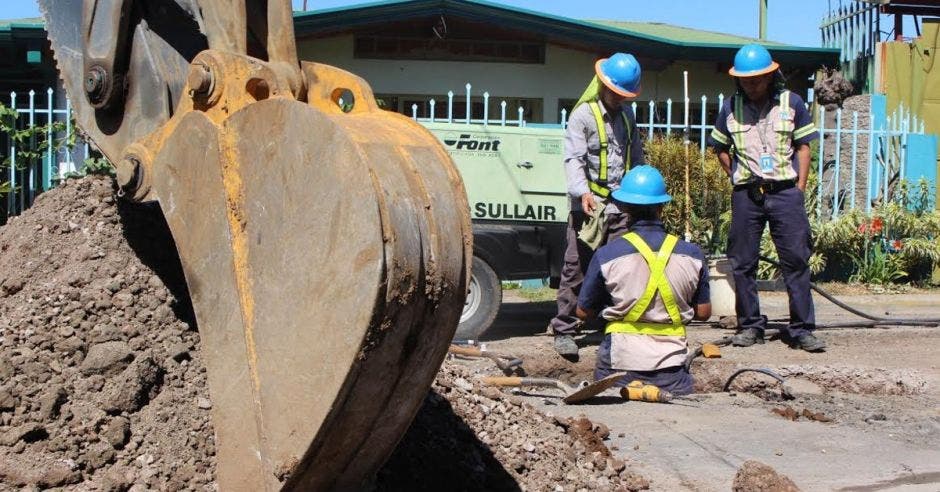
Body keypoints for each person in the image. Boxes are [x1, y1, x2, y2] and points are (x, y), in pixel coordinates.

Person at [708, 44, 826, 352]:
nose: (752, 84)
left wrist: (798, 188)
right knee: (742, 262)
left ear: (771, 76)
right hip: (747, 193)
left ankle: (801, 329)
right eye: (746, 80)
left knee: (796, 261)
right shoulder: (730, 107)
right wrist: (735, 173)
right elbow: (719, 147)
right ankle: (750, 326)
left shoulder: (793, 103)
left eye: (758, 79)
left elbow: (803, 147)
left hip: (785, 191)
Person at [576, 165, 711, 396]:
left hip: (619, 366)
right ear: (662, 207)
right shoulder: (692, 255)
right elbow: (703, 312)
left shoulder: (607, 255)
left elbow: (582, 312)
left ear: (624, 208)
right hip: (671, 368)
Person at [552, 52, 646, 360]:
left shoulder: (629, 116)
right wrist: (582, 193)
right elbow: (573, 160)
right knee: (575, 268)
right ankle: (564, 329)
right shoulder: (582, 115)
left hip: (620, 208)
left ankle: (612, 329)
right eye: (617, 93)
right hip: (588, 208)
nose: (620, 99)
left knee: (619, 270)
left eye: (625, 95)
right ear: (603, 85)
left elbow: (636, 158)